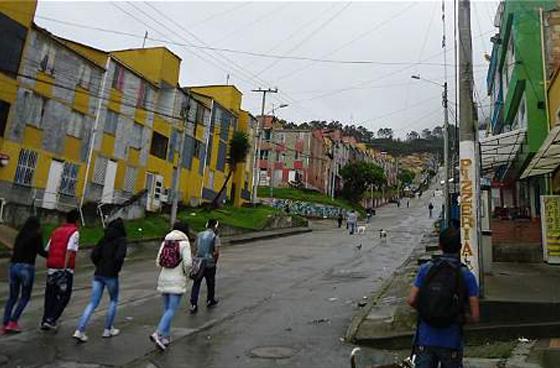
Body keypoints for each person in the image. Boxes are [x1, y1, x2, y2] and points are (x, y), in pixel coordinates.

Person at [406, 228, 480, 368]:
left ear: (440, 246)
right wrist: (454, 316)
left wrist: (428, 310)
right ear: (460, 247)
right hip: (451, 341)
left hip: (425, 339)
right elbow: (475, 316)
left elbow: (411, 300)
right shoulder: (466, 275)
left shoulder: (426, 269)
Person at [73, 218, 127, 343]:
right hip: (111, 275)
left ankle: (80, 330)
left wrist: (99, 265)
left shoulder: (104, 238)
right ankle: (108, 329)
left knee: (92, 303)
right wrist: (115, 268)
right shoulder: (121, 240)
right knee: (113, 300)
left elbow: (94, 255)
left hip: (98, 273)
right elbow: (120, 257)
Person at [150, 222, 192, 351]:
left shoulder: (165, 242)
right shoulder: (184, 243)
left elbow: (158, 261)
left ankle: (165, 338)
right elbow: (188, 263)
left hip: (164, 279)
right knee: (172, 310)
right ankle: (158, 333)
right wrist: (186, 273)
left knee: (167, 309)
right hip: (177, 280)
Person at [2, 217, 47, 334]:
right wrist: (53, 255)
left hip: (13, 266)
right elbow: (41, 251)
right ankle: (13, 322)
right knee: (25, 297)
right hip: (26, 268)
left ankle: (5, 324)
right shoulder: (36, 236)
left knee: (12, 297)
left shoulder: (21, 235)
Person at [41, 209, 80, 331]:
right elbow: (69, 249)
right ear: (77, 221)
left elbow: (48, 248)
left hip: (52, 268)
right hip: (65, 269)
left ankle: (45, 319)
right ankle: (52, 319)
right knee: (65, 296)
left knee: (50, 295)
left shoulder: (56, 231)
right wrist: (64, 266)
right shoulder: (75, 232)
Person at [190, 219, 221, 314]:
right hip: (209, 263)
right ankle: (210, 300)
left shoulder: (199, 235)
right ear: (215, 226)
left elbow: (194, 249)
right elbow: (216, 251)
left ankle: (193, 303)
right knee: (210, 283)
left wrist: (196, 259)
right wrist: (214, 261)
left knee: (196, 283)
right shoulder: (215, 237)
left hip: (199, 263)